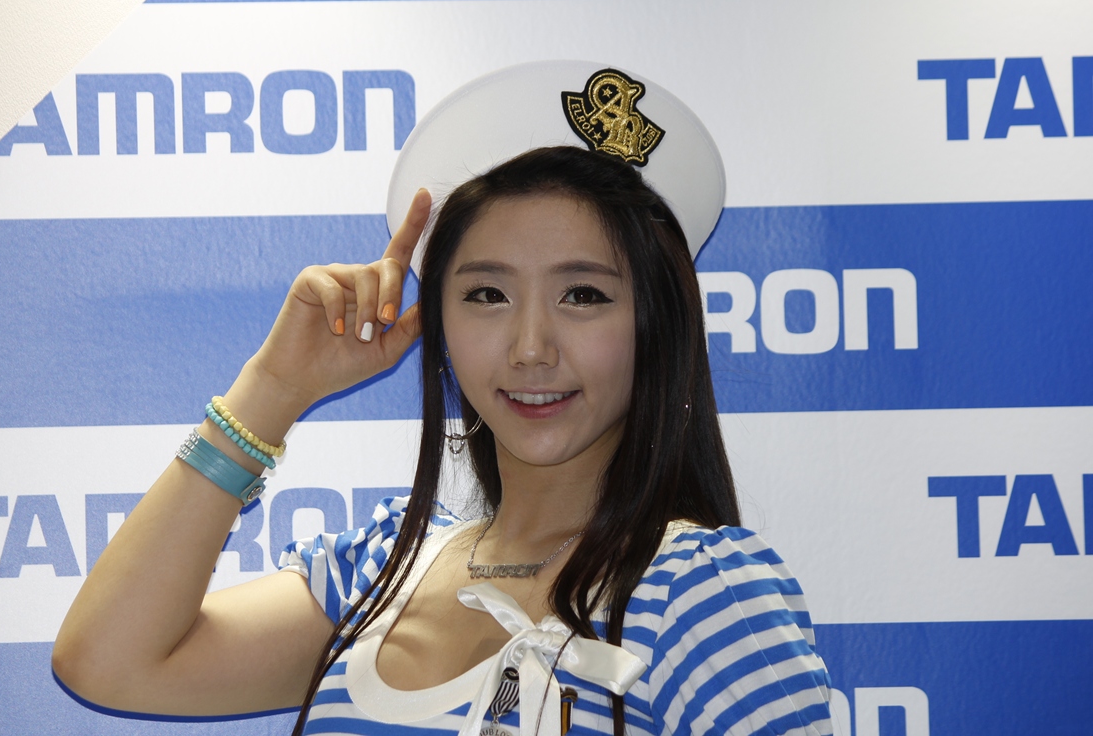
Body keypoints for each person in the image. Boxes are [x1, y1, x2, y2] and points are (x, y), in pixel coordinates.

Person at [52, 63, 833, 736]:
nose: (531, 347)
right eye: (488, 294)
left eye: (584, 295)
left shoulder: (703, 594)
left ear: (656, 324)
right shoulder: (383, 568)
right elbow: (109, 661)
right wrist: (275, 389)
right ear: (443, 325)